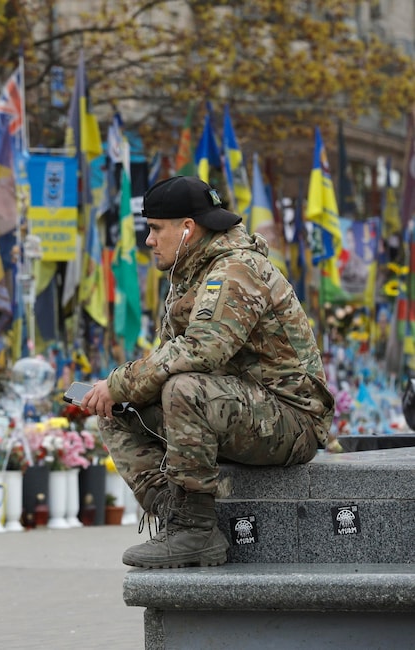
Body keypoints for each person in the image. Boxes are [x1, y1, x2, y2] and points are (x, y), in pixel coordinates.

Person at [81, 176, 334, 569]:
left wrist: (118, 381)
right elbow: (172, 356)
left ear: (187, 229)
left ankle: (196, 532)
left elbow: (203, 350)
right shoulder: (194, 271)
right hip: (245, 409)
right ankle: (174, 513)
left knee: (184, 389)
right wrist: (119, 392)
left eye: (155, 229)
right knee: (118, 411)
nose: (148, 240)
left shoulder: (235, 270)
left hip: (292, 420)